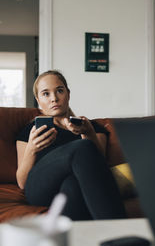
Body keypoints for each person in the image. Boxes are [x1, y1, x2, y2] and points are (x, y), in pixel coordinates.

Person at [15, 70, 127, 220]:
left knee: (73, 184)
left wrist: (89, 134)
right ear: (38, 100)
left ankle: (76, 240)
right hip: (40, 188)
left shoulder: (91, 127)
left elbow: (98, 171)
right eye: (46, 94)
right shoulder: (31, 131)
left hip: (73, 187)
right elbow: (22, 183)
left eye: (59, 91)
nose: (54, 98)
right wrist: (31, 149)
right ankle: (119, 229)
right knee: (83, 147)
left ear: (68, 94)